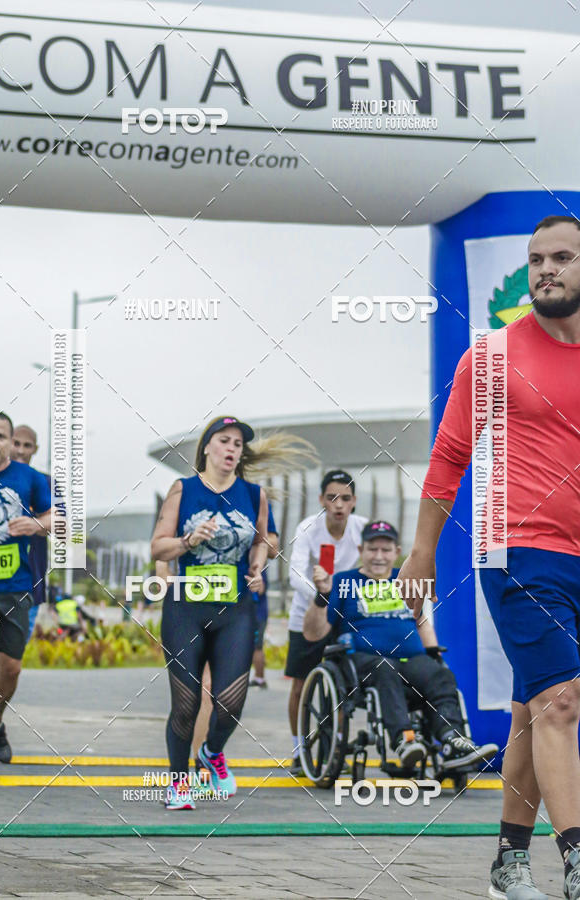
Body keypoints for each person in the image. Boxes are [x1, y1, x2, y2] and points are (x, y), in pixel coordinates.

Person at [398, 216, 580, 900]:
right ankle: (577, 860)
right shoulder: (493, 354)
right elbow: (449, 456)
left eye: (562, 257)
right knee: (561, 701)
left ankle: (509, 861)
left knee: (533, 708)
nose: (546, 270)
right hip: (517, 551)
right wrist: (422, 553)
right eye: (536, 259)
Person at [151, 416, 313, 809]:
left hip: (235, 609)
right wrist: (188, 540)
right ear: (207, 447)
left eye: (238, 444)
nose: (232, 449)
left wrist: (257, 565)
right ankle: (179, 784)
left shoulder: (254, 494)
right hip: (186, 607)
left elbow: (264, 540)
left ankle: (211, 751)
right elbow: (158, 547)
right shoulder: (183, 489)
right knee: (186, 703)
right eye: (224, 441)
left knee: (230, 703)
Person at [310, 520, 498, 769]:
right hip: (365, 662)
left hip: (410, 660)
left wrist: (434, 654)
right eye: (372, 549)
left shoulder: (406, 578)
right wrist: (322, 595)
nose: (379, 556)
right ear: (361, 550)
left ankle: (452, 740)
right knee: (384, 668)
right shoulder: (344, 582)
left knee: (440, 675)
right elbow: (314, 633)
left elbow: (421, 621)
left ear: (397, 552)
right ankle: (404, 740)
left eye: (385, 550)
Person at [0, 411, 51, 775]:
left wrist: (36, 524)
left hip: (21, 586)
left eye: (1, 437)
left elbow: (61, 519)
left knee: (9, 667)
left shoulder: (33, 480)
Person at [286, 469, 366, 775]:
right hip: (307, 613)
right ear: (321, 500)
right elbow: (295, 574)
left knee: (341, 685)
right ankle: (299, 749)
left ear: (354, 501)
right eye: (332, 497)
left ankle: (336, 750)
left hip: (343, 615)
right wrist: (322, 594)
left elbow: (375, 567)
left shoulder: (362, 528)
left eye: (345, 498)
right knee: (300, 684)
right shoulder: (308, 527)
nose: (338, 504)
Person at [10, 425, 49, 641]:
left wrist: (37, 525)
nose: (21, 450)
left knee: (13, 658)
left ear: (35, 449)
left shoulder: (45, 482)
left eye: (27, 445)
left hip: (29, 586)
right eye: (16, 443)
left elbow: (62, 525)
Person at [250, 505, 280, 689]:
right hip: (256, 610)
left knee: (256, 646)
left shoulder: (257, 565)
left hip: (257, 611)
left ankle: (260, 678)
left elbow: (260, 589)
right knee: (255, 646)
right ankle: (258, 677)